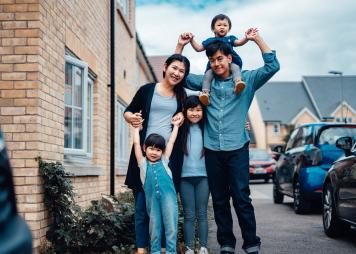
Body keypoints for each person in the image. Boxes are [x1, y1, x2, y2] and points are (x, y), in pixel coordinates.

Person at [176, 30, 280, 254]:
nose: (216, 63)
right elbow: (178, 75)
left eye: (220, 58)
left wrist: (256, 39)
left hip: (237, 149)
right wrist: (180, 46)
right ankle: (226, 243)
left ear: (230, 58)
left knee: (242, 197)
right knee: (220, 200)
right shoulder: (206, 85)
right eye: (212, 60)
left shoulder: (248, 80)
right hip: (212, 149)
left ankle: (251, 242)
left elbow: (273, 66)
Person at [124, 54, 190, 254]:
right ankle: (142, 249)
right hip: (144, 156)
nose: (177, 73)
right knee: (142, 208)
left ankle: (162, 249)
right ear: (165, 66)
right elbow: (128, 111)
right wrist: (132, 118)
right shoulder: (147, 90)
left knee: (165, 208)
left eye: (181, 71)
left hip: (168, 160)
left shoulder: (182, 97)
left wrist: (183, 116)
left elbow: (191, 116)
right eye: (174, 68)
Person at [132, 115, 182, 254]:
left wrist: (176, 126)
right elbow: (136, 144)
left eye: (158, 150)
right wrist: (136, 129)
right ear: (145, 148)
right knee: (154, 228)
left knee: (171, 227)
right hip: (152, 202)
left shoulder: (165, 161)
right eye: (151, 149)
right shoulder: (142, 164)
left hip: (169, 200)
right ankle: (155, 251)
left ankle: (171, 251)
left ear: (162, 151)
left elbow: (171, 141)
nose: (154, 152)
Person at [188, 14, 257, 106]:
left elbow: (239, 42)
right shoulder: (210, 40)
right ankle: (205, 94)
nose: (222, 27)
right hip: (214, 64)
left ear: (228, 28)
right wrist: (191, 40)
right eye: (219, 25)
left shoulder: (230, 39)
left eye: (225, 25)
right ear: (213, 28)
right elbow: (199, 48)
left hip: (230, 62)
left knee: (235, 68)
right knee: (208, 75)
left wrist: (246, 38)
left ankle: (238, 83)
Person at [179, 96, 209, 254]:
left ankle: (203, 247)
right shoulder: (180, 129)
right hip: (185, 178)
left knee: (202, 213)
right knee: (189, 214)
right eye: (191, 110)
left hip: (203, 177)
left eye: (198, 110)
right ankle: (190, 248)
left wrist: (244, 126)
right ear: (185, 111)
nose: (195, 113)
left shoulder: (207, 129)